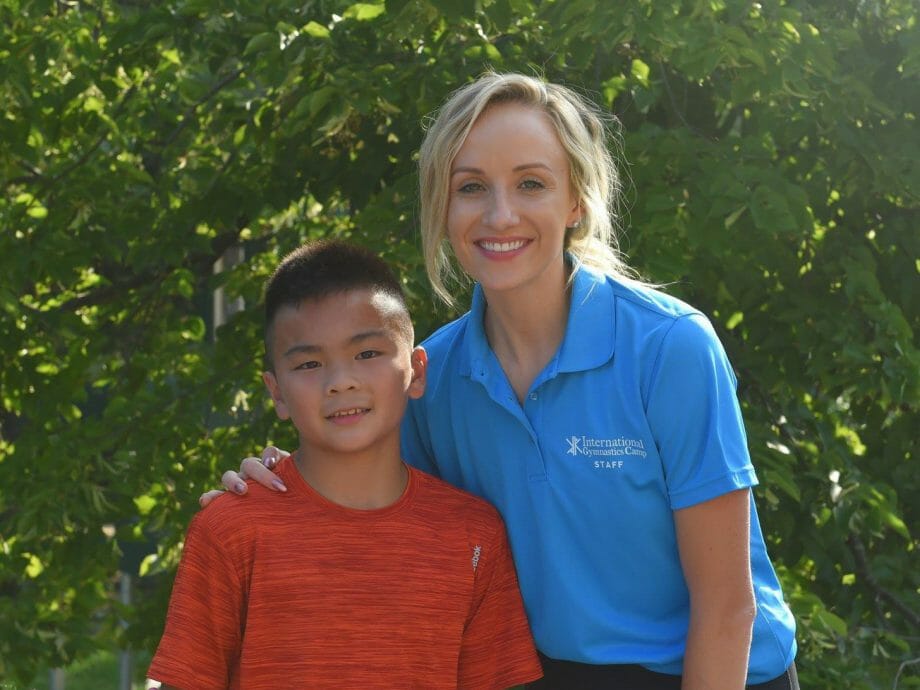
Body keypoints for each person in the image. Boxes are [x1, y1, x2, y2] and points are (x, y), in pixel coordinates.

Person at [205, 72, 798, 689]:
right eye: (471, 187)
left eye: (531, 183)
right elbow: (369, 526)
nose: (500, 214)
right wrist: (274, 491)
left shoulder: (670, 348)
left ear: (575, 201)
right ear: (443, 208)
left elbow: (727, 608)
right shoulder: (429, 379)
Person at [149, 239, 542, 690]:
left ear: (416, 371)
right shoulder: (230, 531)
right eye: (310, 363)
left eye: (367, 354)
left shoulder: (473, 535)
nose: (341, 382)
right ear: (276, 393)